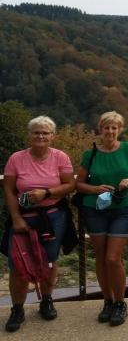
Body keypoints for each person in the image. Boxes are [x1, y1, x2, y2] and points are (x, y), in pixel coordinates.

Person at [2, 116, 76, 333]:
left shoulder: (60, 157)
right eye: (36, 132)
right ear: (30, 135)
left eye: (45, 133)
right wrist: (16, 217)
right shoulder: (16, 158)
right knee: (17, 264)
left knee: (50, 261)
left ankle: (47, 300)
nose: (41, 136)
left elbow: (70, 184)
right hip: (23, 216)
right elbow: (8, 189)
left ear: (52, 136)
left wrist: (47, 192)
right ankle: (17, 309)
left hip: (53, 217)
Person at [75, 111, 128, 326]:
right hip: (94, 209)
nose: (110, 131)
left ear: (119, 130)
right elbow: (78, 184)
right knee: (100, 257)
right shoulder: (91, 154)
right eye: (107, 127)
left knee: (112, 258)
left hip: (122, 209)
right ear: (101, 129)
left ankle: (120, 302)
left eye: (114, 128)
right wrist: (95, 189)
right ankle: (107, 301)